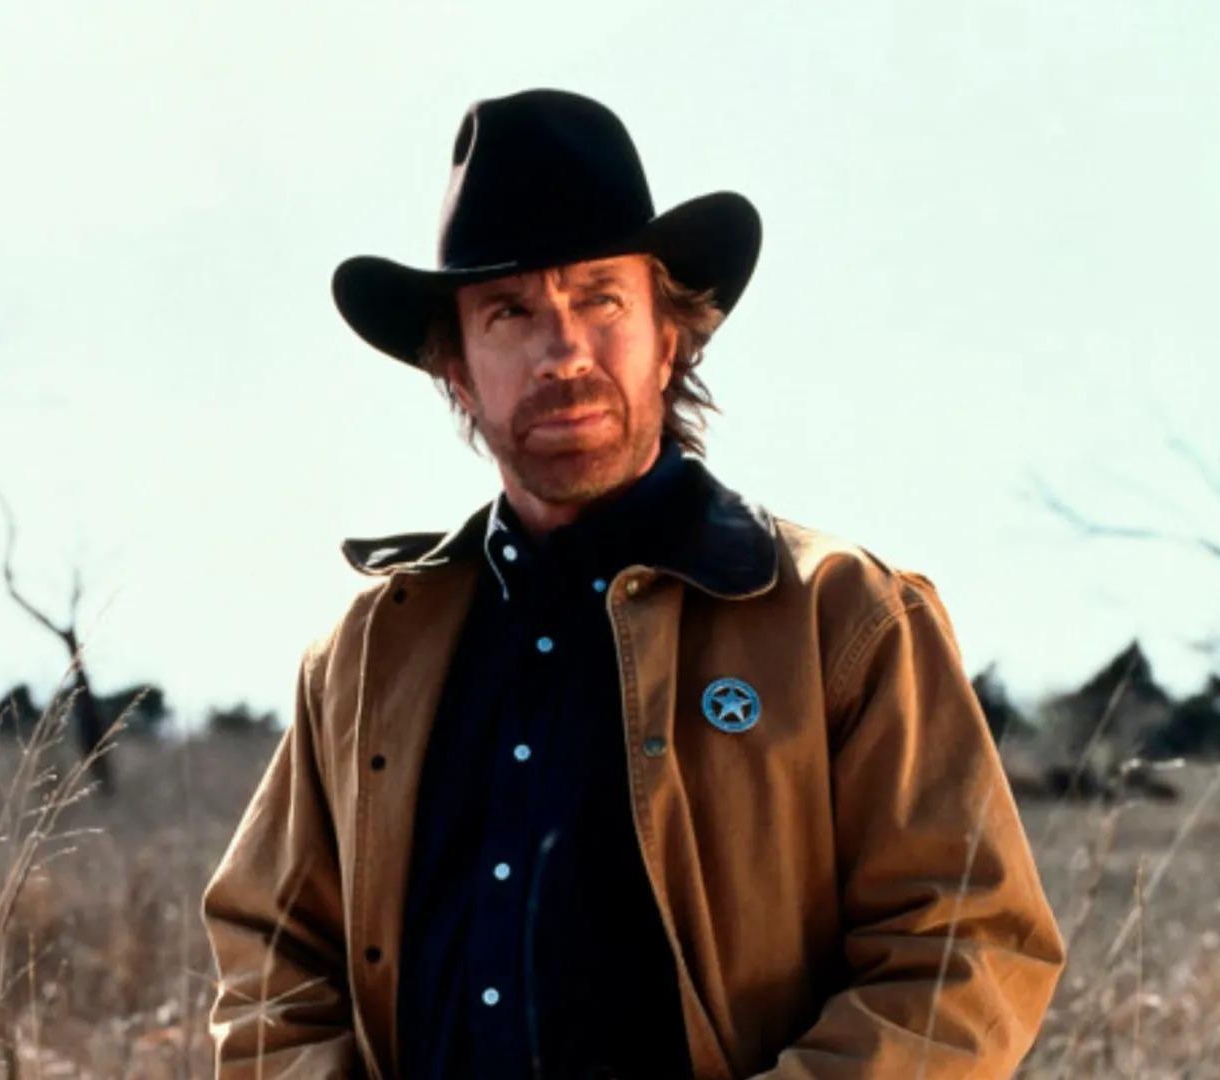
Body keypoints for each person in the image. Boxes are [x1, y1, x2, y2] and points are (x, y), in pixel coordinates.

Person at [201, 87, 1065, 1080]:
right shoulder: (366, 654)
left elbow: (965, 949)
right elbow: (269, 959)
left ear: (670, 337)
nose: (562, 352)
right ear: (457, 369)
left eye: (600, 299)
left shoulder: (843, 618)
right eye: (510, 312)